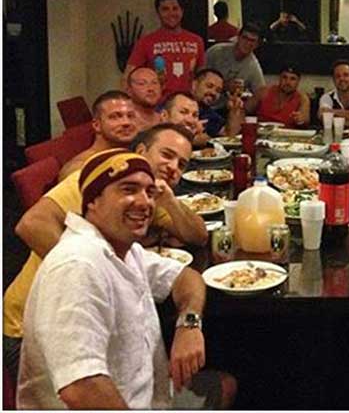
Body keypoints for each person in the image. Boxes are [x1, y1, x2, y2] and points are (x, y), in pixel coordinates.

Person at [16, 149, 233, 409]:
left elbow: (186, 277)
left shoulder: (124, 250)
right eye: (128, 189)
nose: (144, 203)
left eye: (150, 193)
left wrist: (189, 323)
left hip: (151, 393)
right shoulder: (77, 266)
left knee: (226, 382)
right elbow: (81, 389)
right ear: (92, 201)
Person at [123, 0, 205, 99]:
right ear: (158, 13)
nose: (171, 13)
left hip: (188, 104)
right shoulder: (146, 42)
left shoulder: (196, 41)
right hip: (156, 105)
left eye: (175, 8)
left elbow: (202, 77)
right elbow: (128, 77)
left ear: (182, 11)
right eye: (165, 9)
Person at [58, 90, 139, 181]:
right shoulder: (81, 169)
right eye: (115, 117)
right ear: (97, 125)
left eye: (131, 116)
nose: (126, 122)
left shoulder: (137, 154)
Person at [206, 22, 266, 100]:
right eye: (245, 38)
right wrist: (225, 86)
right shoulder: (216, 52)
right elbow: (199, 79)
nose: (247, 43)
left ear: (257, 45)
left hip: (226, 107)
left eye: (252, 41)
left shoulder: (253, 66)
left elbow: (261, 93)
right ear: (238, 37)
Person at [244, 63, 310, 127]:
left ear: (298, 81)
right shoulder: (264, 92)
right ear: (279, 78)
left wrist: (300, 120)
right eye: (284, 77)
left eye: (292, 79)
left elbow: (305, 121)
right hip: (261, 133)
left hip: (287, 135)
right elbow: (244, 110)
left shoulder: (302, 98)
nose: (287, 82)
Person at [191, 68, 244, 137]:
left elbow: (228, 134)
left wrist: (234, 110)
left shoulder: (209, 113)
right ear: (194, 85)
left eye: (218, 91)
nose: (213, 93)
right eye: (209, 86)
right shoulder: (179, 104)